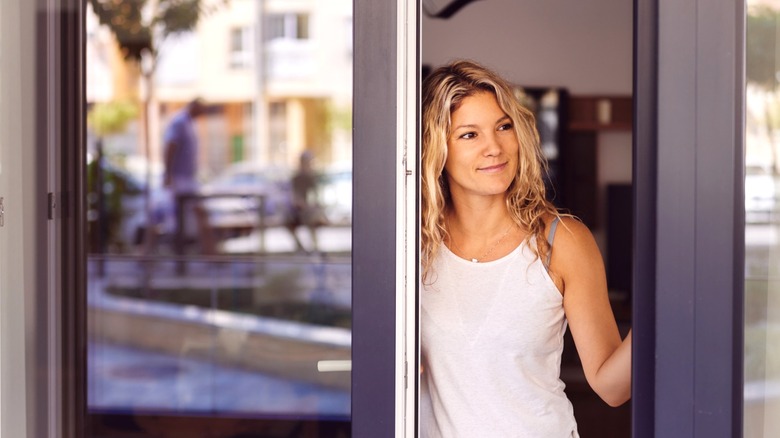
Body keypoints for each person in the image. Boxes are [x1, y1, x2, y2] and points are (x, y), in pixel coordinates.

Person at [420, 60, 631, 437]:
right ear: (437, 149)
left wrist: (660, 301)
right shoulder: (415, 245)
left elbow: (612, 387)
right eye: (470, 135)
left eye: (504, 127)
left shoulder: (561, 241)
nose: (495, 148)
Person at [162, 98, 207, 246]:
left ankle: (210, 253)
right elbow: (170, 146)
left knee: (198, 213)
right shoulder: (180, 122)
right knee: (167, 216)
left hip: (187, 178)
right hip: (179, 179)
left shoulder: (188, 122)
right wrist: (168, 174)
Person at [286, 150, 327, 253]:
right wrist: (298, 203)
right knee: (287, 220)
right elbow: (294, 195)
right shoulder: (297, 178)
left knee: (312, 220)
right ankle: (300, 247)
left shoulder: (313, 177)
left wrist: (310, 205)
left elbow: (317, 197)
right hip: (298, 211)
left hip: (310, 211)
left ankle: (315, 248)